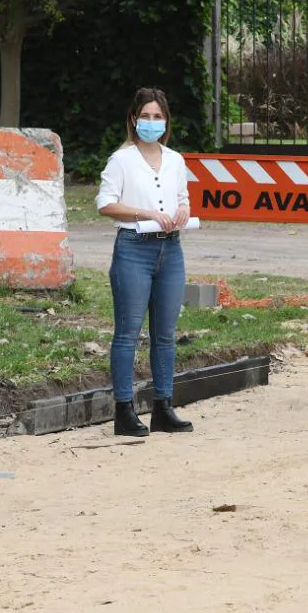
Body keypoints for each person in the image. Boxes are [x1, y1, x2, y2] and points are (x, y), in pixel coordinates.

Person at [96, 88, 193, 437]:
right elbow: (105, 203)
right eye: (146, 116)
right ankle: (124, 410)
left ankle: (163, 407)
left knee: (165, 335)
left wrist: (182, 211)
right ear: (134, 119)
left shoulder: (176, 160)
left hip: (171, 249)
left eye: (158, 116)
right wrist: (147, 213)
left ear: (166, 121)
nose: (151, 122)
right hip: (134, 248)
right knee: (128, 333)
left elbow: (183, 200)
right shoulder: (121, 160)